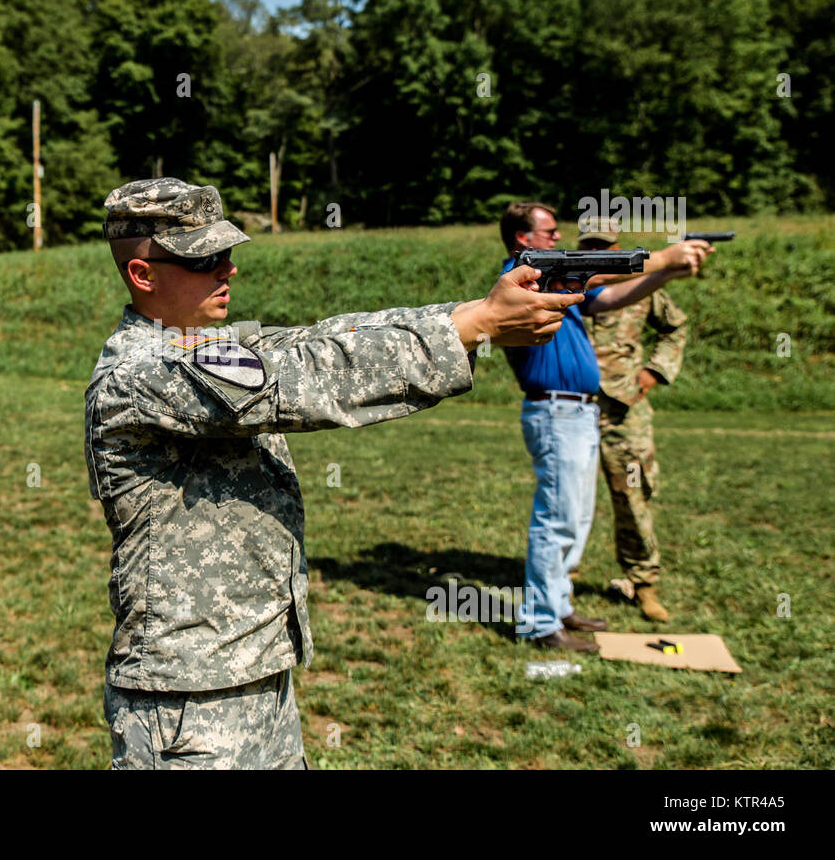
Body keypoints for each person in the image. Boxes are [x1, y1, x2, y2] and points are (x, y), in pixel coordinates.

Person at [85, 177, 582, 769]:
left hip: (250, 668)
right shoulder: (142, 374)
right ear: (143, 275)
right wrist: (473, 330)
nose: (227, 270)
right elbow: (300, 377)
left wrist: (471, 311)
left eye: (228, 253)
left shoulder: (200, 344)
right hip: (188, 695)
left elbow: (322, 336)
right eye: (204, 259)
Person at [498, 202, 709, 653]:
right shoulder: (525, 272)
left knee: (575, 518)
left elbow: (611, 296)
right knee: (556, 522)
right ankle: (540, 623)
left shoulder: (554, 282)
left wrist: (666, 273)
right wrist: (666, 256)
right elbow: (600, 276)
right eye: (549, 232)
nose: (558, 238)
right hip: (556, 411)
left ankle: (559, 606)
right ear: (522, 238)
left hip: (577, 413)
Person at [578, 218, 692, 622]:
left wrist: (655, 372)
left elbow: (675, 327)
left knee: (633, 496)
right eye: (587, 246)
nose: (595, 252)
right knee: (572, 498)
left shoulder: (641, 288)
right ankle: (563, 579)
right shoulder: (567, 285)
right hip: (574, 406)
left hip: (625, 410)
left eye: (603, 246)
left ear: (617, 248)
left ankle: (643, 583)